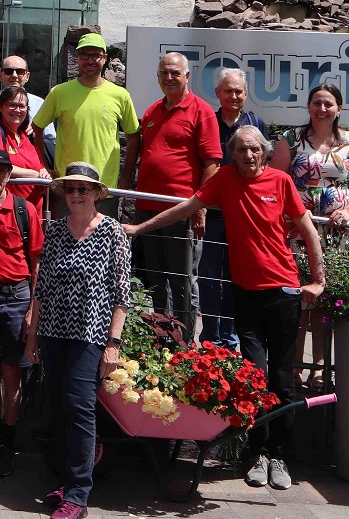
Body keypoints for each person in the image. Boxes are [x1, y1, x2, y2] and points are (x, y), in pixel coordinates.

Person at [124, 125, 326, 491]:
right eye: (241, 150)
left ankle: (278, 454)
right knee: (255, 374)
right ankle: (256, 454)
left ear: (264, 152)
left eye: (254, 149)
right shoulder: (226, 179)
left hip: (283, 292)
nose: (248, 156)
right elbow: (186, 207)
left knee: (282, 376)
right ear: (232, 154)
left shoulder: (281, 182)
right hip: (244, 293)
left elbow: (308, 230)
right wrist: (139, 228)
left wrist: (318, 281)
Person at [25, 162, 130, 519]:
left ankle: (79, 495)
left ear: (96, 194)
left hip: (90, 335)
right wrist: (33, 336)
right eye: (70, 189)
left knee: (81, 409)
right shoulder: (55, 231)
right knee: (60, 407)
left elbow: (121, 294)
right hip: (53, 331)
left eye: (83, 190)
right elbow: (41, 289)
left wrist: (113, 344)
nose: (75, 195)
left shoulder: (113, 232)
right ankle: (68, 483)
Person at [269, 83, 349, 391]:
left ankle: (320, 369)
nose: (322, 108)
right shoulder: (290, 139)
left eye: (328, 104)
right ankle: (295, 367)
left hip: (336, 233)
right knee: (298, 299)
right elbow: (274, 179)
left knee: (325, 300)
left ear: (338, 109)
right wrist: (293, 211)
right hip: (297, 229)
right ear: (309, 106)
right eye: (316, 103)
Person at [121, 51, 221, 335]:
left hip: (181, 210)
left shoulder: (201, 111)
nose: (169, 78)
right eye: (164, 73)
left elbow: (212, 163)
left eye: (175, 73)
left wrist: (199, 209)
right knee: (155, 278)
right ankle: (162, 339)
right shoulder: (152, 112)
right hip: (147, 208)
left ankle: (185, 344)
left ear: (187, 76)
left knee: (182, 280)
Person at [0, 148, 43, 477]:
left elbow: (36, 261)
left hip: (17, 296)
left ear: (9, 174)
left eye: (1, 169)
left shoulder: (24, 208)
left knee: (12, 375)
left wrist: (32, 308)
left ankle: (7, 445)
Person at [199, 68, 271, 350]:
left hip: (244, 214)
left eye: (239, 90)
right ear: (217, 93)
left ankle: (229, 338)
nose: (234, 95)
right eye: (228, 90)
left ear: (246, 93)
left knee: (235, 277)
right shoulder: (208, 122)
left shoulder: (256, 124)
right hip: (213, 212)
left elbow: (262, 168)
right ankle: (208, 335)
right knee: (207, 276)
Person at [32, 33, 140, 218]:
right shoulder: (59, 92)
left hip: (105, 189)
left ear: (104, 58)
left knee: (103, 244)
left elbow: (134, 136)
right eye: (84, 55)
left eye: (95, 55)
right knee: (65, 243)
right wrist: (42, 166)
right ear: (77, 58)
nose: (89, 61)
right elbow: (37, 127)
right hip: (69, 188)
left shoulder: (120, 95)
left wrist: (126, 177)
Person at [0, 86, 51, 211]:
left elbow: (41, 167)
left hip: (32, 215)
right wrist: (35, 175)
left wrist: (44, 174)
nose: (17, 110)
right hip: (3, 214)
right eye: (12, 105)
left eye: (22, 106)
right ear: (0, 107)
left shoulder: (26, 136)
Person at [0, 55, 57, 166]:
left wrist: (36, 134)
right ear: (0, 75)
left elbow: (51, 140)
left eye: (20, 72)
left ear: (27, 76)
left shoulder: (39, 103)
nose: (14, 76)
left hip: (32, 166)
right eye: (9, 71)